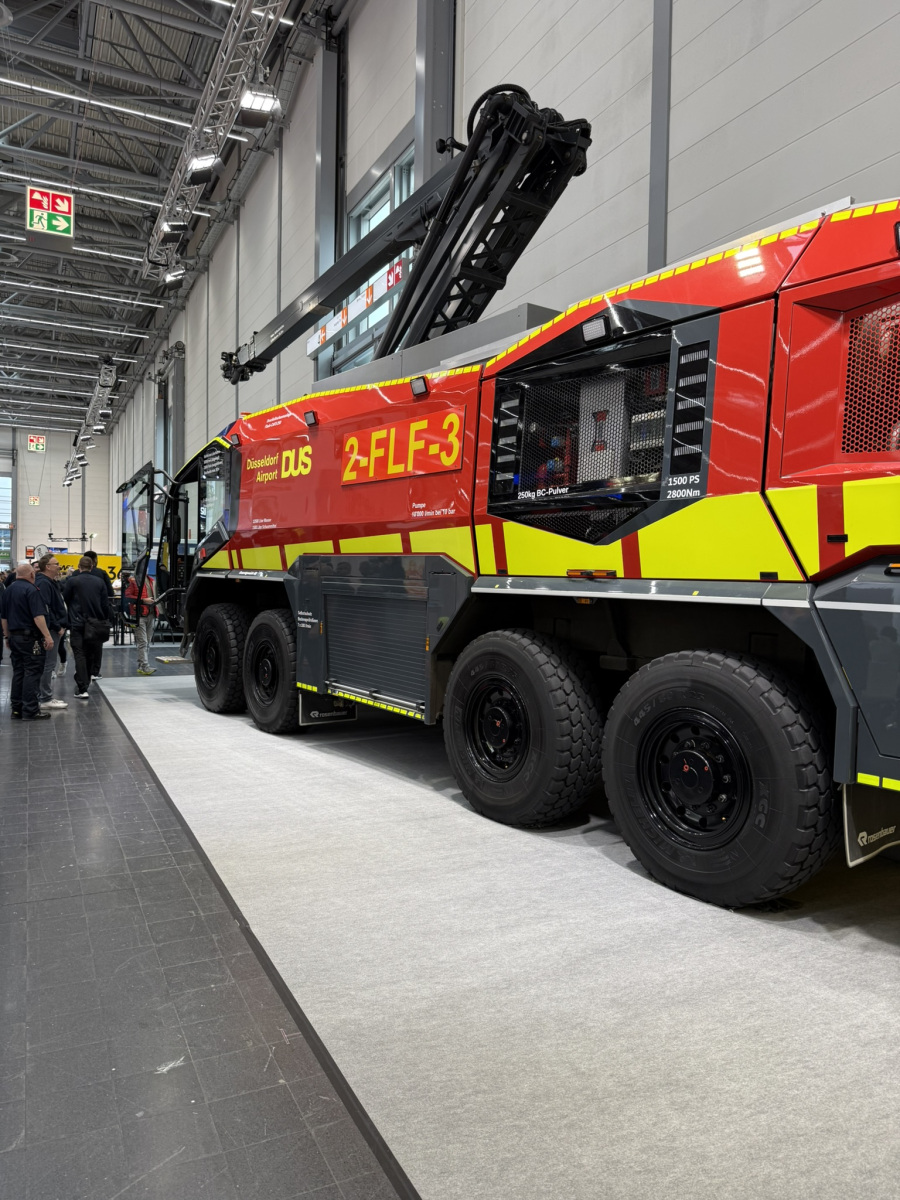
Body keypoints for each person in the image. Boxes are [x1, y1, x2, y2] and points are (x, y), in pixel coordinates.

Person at [0, 561, 54, 720]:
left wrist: (7, 636)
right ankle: (30, 710)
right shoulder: (32, 590)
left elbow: (4, 617)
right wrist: (47, 636)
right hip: (30, 639)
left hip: (15, 637)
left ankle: (16, 709)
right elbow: (38, 616)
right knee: (32, 672)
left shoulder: (8, 590)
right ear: (31, 574)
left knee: (18, 672)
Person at [63, 556, 113, 700]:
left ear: (79, 567)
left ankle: (82, 687)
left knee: (79, 653)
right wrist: (104, 619)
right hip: (94, 623)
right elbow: (105, 604)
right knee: (91, 653)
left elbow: (66, 599)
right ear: (91, 567)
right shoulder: (99, 582)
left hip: (77, 622)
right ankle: (86, 680)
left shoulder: (72, 581)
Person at [33, 554, 68, 710]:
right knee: (48, 663)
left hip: (54, 627)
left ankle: (44, 696)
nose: (59, 566)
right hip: (52, 629)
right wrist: (57, 626)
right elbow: (46, 609)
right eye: (56, 564)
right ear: (47, 567)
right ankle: (45, 698)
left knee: (49, 663)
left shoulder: (50, 582)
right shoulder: (44, 583)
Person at [84, 550, 115, 678]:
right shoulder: (101, 573)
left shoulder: (75, 575)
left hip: (81, 614)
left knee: (82, 644)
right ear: (95, 560)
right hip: (98, 614)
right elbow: (110, 593)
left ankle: (82, 670)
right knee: (97, 644)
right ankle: (95, 672)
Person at [125, 566, 158, 675]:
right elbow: (128, 596)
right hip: (139, 615)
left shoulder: (152, 581)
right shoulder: (133, 582)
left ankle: (141, 665)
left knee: (146, 642)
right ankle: (145, 666)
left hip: (151, 614)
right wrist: (143, 600)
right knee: (143, 642)